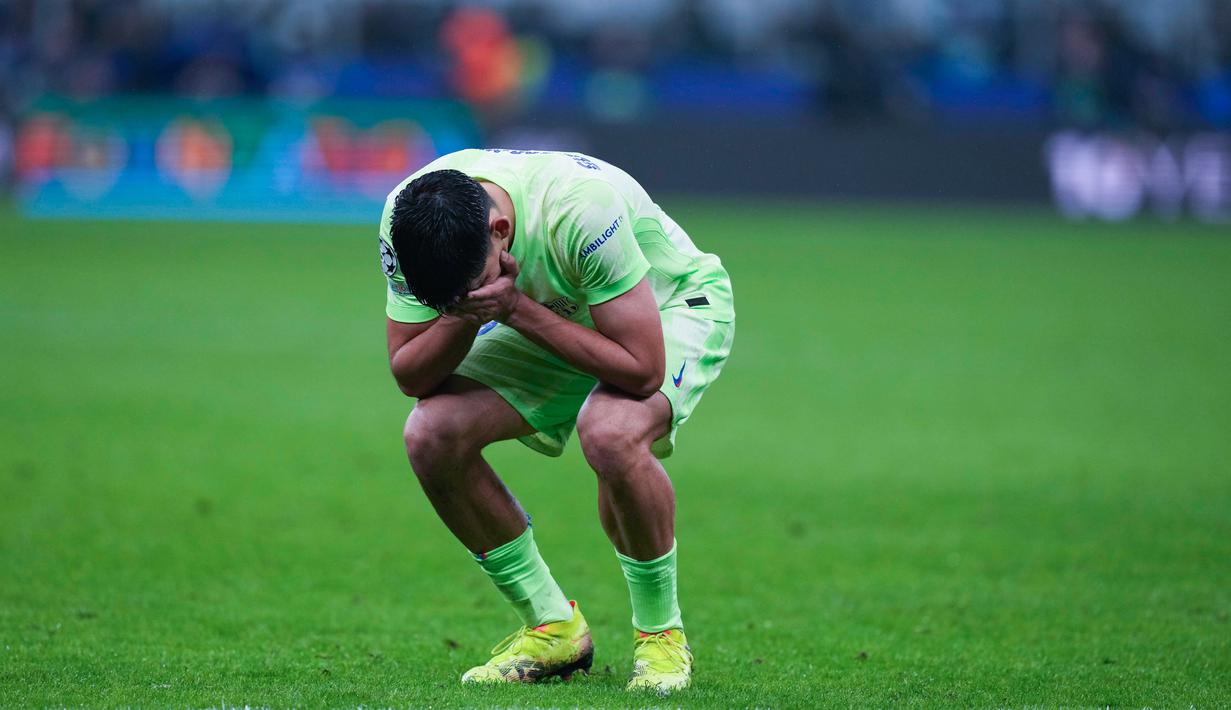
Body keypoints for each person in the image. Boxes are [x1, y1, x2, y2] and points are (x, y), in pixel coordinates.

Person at [379, 148, 734, 694]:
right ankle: (553, 627)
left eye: (470, 287)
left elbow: (641, 370)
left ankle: (661, 637)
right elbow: (410, 373)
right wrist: (463, 314)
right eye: (446, 299)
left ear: (501, 231)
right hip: (550, 313)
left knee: (611, 434)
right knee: (431, 433)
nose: (460, 300)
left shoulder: (579, 209)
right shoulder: (409, 221)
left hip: (665, 311)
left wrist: (515, 310)